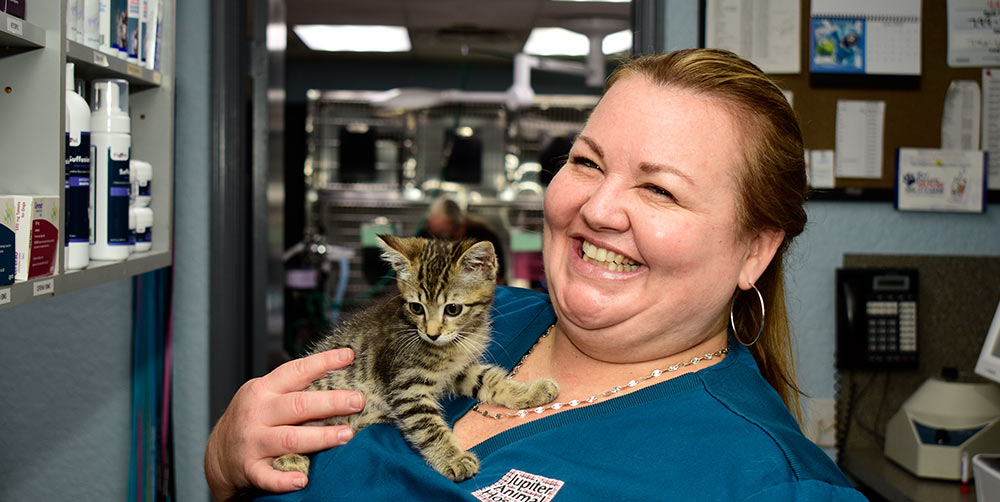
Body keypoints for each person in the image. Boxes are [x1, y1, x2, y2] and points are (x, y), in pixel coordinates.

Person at [204, 48, 867, 501]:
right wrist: (226, 463)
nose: (598, 208)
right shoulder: (486, 319)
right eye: (586, 162)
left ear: (755, 248)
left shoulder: (767, 484)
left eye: (659, 190)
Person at [421, 195, 507, 283]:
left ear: (454, 221)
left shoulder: (482, 236)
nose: (439, 237)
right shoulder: (427, 236)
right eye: (434, 231)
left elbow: (498, 277)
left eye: (442, 230)